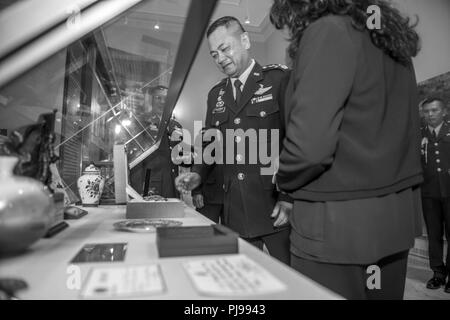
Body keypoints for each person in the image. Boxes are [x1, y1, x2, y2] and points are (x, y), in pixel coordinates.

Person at [270, 0, 423, 299]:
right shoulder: (388, 39)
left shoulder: (328, 30)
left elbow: (309, 149)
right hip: (393, 224)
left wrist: (283, 178)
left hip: (335, 228)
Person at [175, 16, 292, 264]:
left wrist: (289, 197)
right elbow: (211, 145)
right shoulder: (216, 95)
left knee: (292, 286)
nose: (220, 58)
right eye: (214, 54)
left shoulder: (278, 81)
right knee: (244, 285)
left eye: (225, 48)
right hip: (235, 213)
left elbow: (296, 141)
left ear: (246, 40)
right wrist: (198, 176)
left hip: (275, 209)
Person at [129, 85, 183, 198]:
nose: (162, 101)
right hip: (150, 183)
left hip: (172, 184)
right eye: (158, 97)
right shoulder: (142, 123)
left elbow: (180, 158)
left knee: (171, 215)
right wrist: (137, 190)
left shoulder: (176, 125)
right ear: (151, 100)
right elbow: (135, 159)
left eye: (165, 98)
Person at [420, 97, 450, 293]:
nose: (430, 114)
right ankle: (438, 274)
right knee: (434, 236)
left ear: (444, 111)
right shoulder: (419, 135)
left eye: (434, 110)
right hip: (429, 193)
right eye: (427, 111)